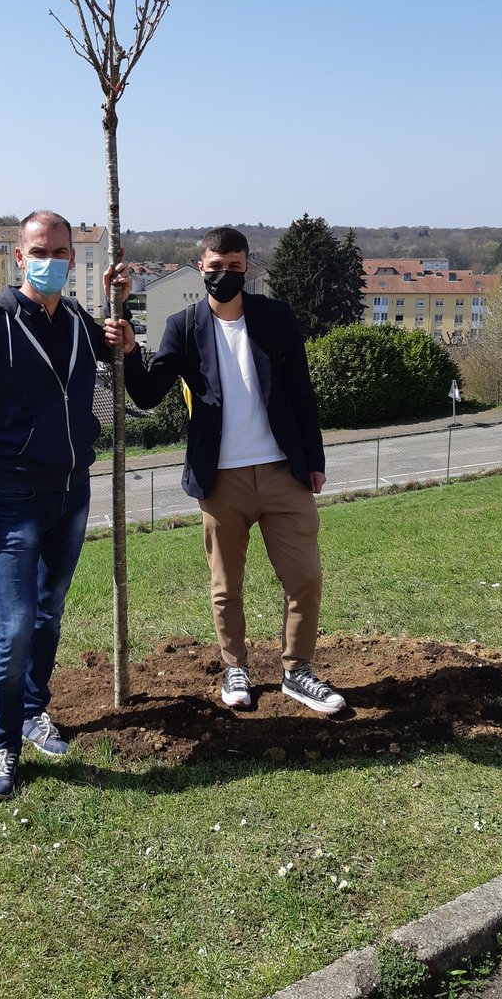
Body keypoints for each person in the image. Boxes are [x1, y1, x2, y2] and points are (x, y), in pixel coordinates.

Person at [107, 226, 345, 715]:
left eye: (234, 267)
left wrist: (315, 461)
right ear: (201, 267)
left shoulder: (276, 318)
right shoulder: (184, 326)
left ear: (247, 267)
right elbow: (147, 394)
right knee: (225, 587)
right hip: (220, 480)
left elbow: (302, 392)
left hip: (283, 471)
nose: (224, 275)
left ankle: (298, 672)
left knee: (304, 579)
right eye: (215, 267)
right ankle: (236, 668)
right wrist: (129, 345)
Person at [0, 211, 132, 800]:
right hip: (15, 496)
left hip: (73, 493)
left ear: (73, 258)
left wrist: (119, 307)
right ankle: (2, 746)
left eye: (60, 252)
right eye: (38, 251)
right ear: (20, 257)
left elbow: (110, 360)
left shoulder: (75, 319)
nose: (49, 260)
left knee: (49, 614)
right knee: (16, 625)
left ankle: (32, 710)